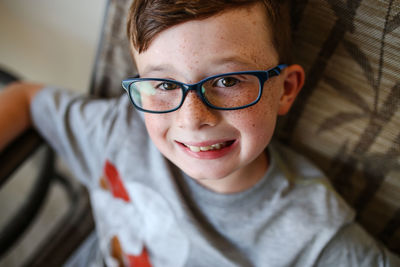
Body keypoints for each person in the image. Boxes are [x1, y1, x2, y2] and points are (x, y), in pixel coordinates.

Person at [1, 0, 399, 266]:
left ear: (286, 90)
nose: (192, 119)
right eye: (163, 84)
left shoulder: (317, 241)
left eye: (227, 81)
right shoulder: (121, 130)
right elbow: (27, 98)